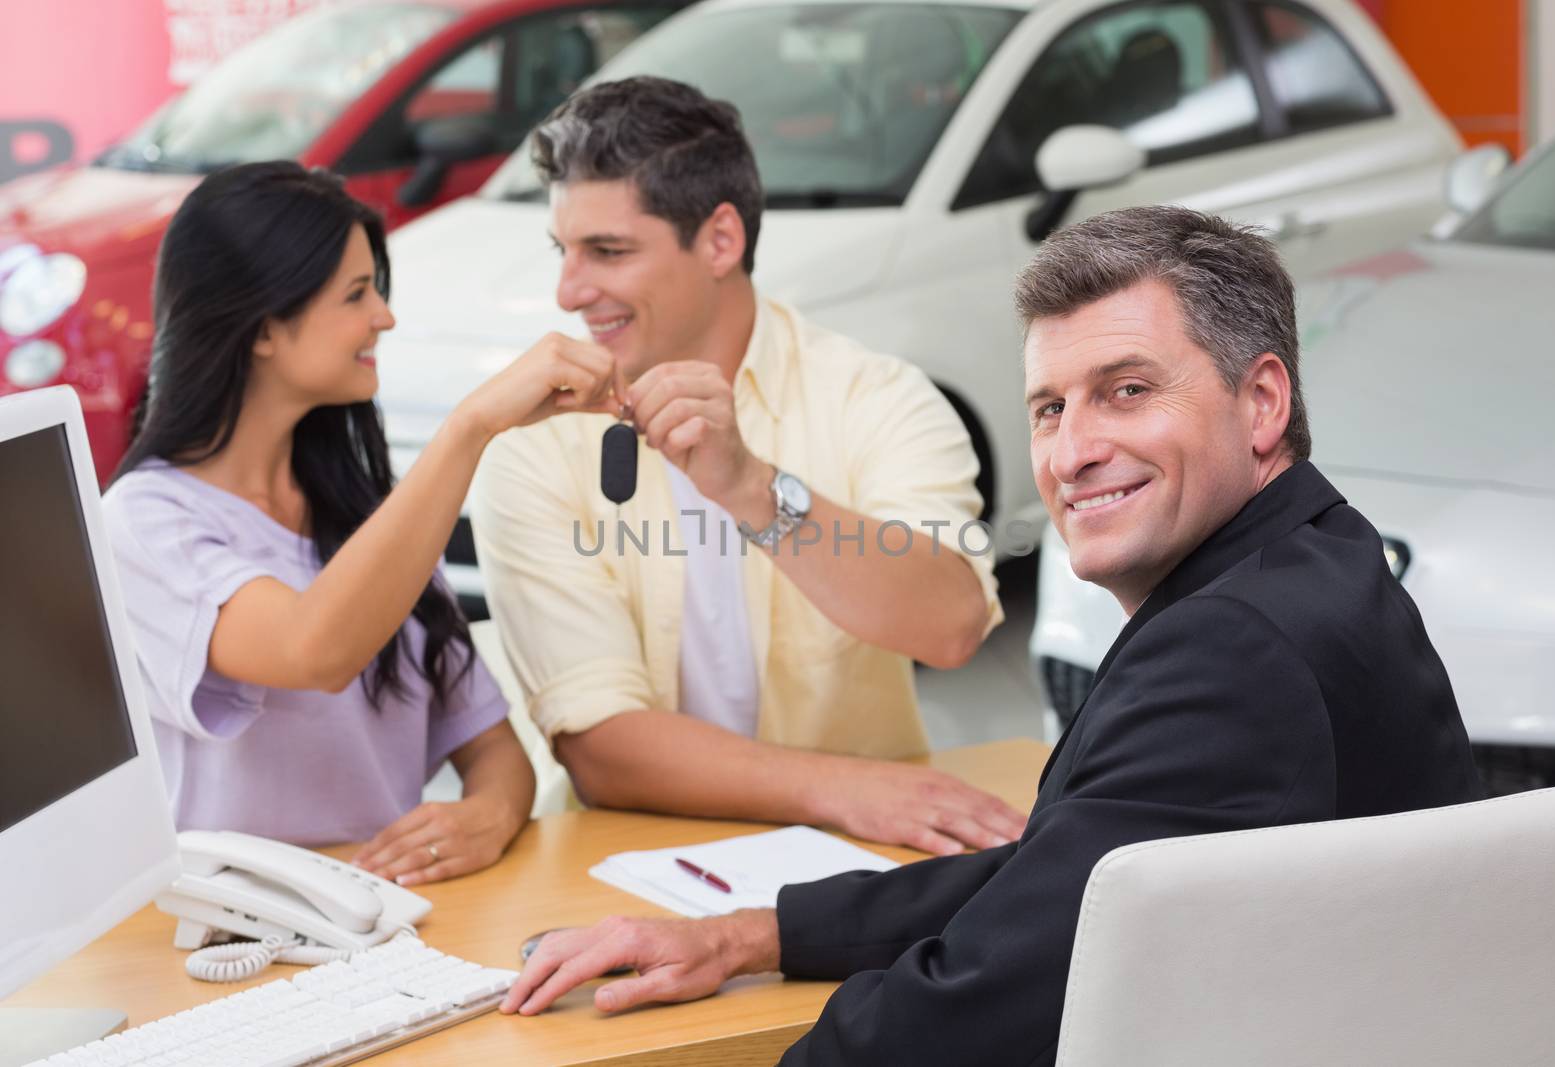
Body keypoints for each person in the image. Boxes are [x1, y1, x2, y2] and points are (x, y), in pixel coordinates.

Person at [496, 206, 1485, 1062]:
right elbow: (1070, 875)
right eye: (1050, 408)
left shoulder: (1235, 646)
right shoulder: (1315, 557)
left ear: (1260, 401)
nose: (1073, 449)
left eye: (1126, 389)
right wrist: (746, 936)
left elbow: (976, 1004)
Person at [469, 77, 1026, 854]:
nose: (569, 291)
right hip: (626, 863)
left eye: (608, 251)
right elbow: (600, 748)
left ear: (721, 241)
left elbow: (951, 623)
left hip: (861, 862)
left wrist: (756, 492)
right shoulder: (531, 442)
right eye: (563, 251)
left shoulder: (875, 394)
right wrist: (839, 788)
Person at [103, 162, 623, 885]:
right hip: (229, 938)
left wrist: (490, 814)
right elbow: (311, 648)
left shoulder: (363, 513)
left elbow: (492, 747)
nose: (384, 316)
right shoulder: (143, 522)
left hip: (388, 922)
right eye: (356, 294)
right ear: (262, 328)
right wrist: (471, 426)